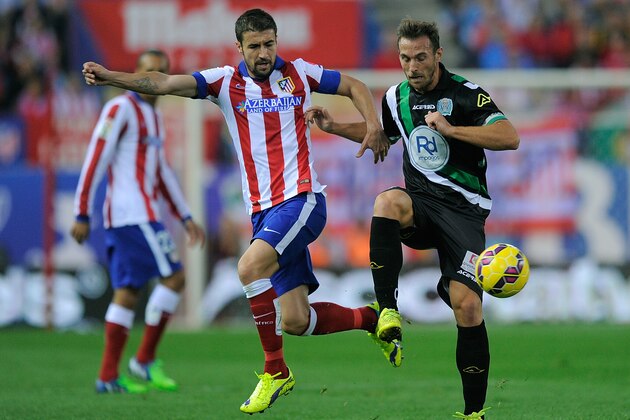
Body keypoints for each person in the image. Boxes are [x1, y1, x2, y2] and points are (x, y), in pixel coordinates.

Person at [82, 8, 397, 414]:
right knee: (297, 320)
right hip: (263, 215)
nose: (264, 53)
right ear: (240, 47)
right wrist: (111, 77)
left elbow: (354, 84)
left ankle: (275, 371)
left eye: (269, 44)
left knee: (249, 268)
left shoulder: (301, 73)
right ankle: (371, 320)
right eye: (255, 46)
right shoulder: (223, 82)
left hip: (301, 201)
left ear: (276, 42)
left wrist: (372, 123)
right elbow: (161, 82)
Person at [306, 19, 520, 419]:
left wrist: (453, 130)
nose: (413, 66)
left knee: (467, 306)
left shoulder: (465, 95)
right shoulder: (395, 97)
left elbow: (509, 137)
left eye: (420, 57)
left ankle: (473, 412)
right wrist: (335, 127)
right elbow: (380, 135)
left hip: (463, 210)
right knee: (387, 201)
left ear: (438, 54)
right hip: (420, 204)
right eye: (405, 58)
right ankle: (387, 309)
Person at [71, 49, 206, 394]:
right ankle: (144, 361)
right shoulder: (121, 108)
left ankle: (107, 377)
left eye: (161, 71)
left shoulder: (154, 117)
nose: (155, 77)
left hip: (137, 216)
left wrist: (185, 216)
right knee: (175, 277)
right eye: (149, 70)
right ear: (137, 73)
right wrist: (81, 211)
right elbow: (95, 160)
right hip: (134, 215)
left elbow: (160, 172)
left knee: (128, 293)